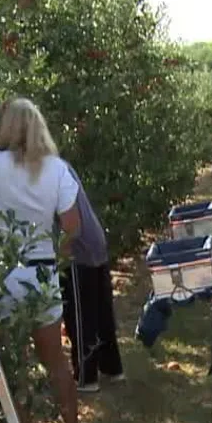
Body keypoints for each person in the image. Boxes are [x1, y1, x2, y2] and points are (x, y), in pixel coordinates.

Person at [0, 98, 85, 423]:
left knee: (13, 364)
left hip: (2, 276)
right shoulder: (57, 169)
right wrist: (54, 260)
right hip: (41, 271)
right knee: (56, 362)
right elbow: (72, 227)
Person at [60, 163, 125, 394]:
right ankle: (112, 368)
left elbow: (69, 223)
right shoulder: (62, 166)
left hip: (80, 249)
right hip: (95, 241)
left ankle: (86, 377)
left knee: (80, 314)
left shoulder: (48, 172)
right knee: (101, 310)